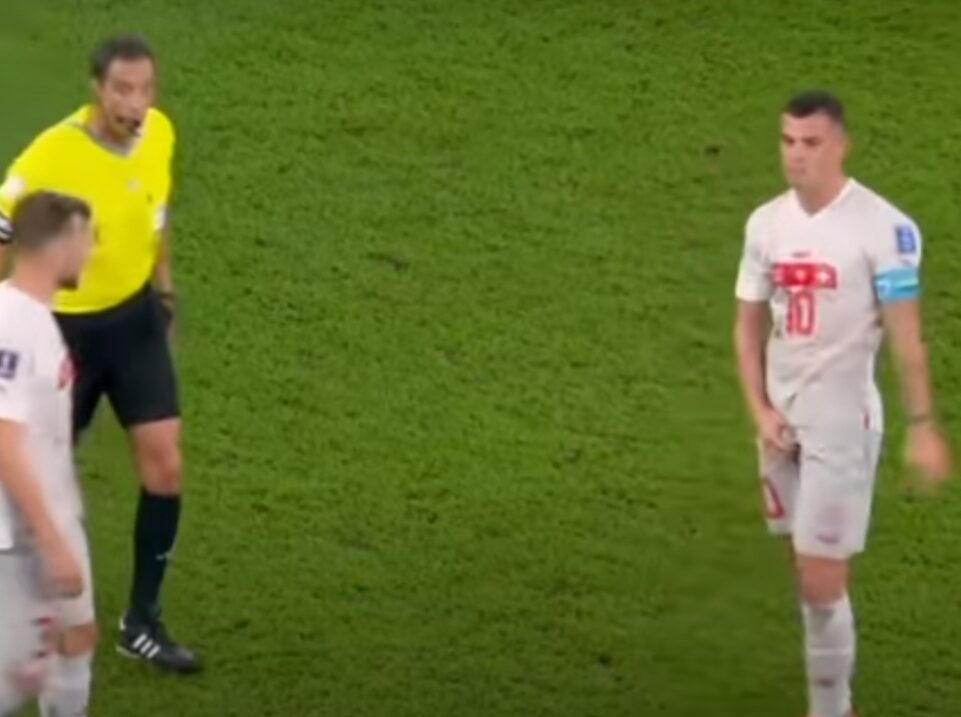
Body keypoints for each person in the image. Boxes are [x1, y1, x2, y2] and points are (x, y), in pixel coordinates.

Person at [733, 89, 952, 717]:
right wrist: (760, 412)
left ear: (840, 145)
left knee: (820, 577)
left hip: (842, 425)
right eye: (787, 141)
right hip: (780, 424)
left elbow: (905, 334)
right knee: (806, 572)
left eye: (811, 143)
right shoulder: (765, 223)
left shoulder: (885, 228)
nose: (796, 155)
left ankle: (831, 709)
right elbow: (747, 327)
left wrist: (922, 423)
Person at [0, 33, 199, 673]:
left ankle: (141, 622)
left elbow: (155, 218)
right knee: (33, 484)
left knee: (165, 466)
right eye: (122, 89)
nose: (135, 103)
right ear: (97, 89)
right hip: (66, 336)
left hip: (134, 323)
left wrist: (163, 293)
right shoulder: (54, 154)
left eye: (144, 89)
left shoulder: (160, 134)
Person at [0, 192, 95, 716]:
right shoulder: (14, 325)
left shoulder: (33, 316)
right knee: (15, 674)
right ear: (64, 243)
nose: (90, 253)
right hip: (22, 534)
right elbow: (3, 437)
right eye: (87, 240)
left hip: (45, 521)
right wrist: (52, 540)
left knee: (75, 639)